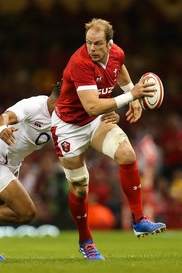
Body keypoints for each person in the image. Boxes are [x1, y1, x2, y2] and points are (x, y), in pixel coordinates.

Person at [0, 81, 121, 261]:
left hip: (12, 164)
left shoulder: (63, 116)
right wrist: (4, 128)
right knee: (26, 213)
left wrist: (109, 116)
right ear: (61, 100)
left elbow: (90, 119)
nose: (74, 107)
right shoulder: (33, 106)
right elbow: (2, 118)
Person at [50, 18, 166, 261]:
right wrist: (131, 96)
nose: (92, 48)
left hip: (94, 123)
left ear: (109, 44)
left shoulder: (117, 53)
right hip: (69, 127)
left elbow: (119, 68)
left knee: (127, 154)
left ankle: (139, 220)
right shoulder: (80, 62)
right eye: (88, 43)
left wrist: (131, 94)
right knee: (80, 188)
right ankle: (86, 241)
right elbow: (92, 106)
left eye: (97, 44)